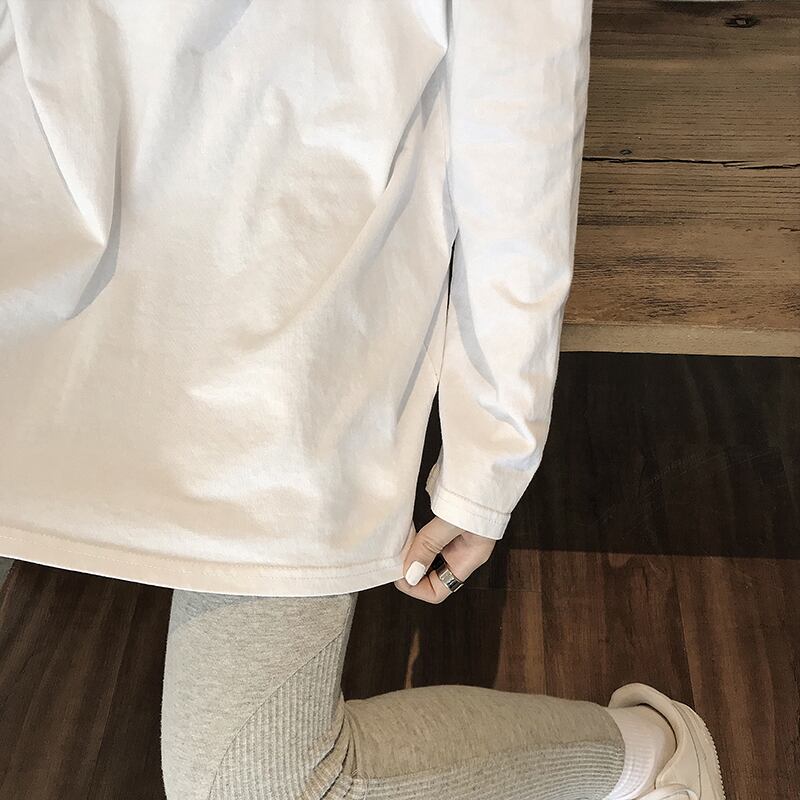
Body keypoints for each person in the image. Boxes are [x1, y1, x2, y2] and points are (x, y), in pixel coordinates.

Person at [0, 2, 724, 798]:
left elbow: (525, 109)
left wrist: (492, 445)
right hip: (38, 218)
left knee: (256, 784)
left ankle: (650, 755)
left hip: (297, 280)